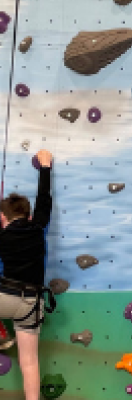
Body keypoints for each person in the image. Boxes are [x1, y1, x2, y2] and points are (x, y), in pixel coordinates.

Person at [0, 149, 57, 400]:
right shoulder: (38, 227)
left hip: (4, 298)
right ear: (29, 215)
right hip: (31, 303)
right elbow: (44, 197)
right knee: (30, 361)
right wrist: (45, 166)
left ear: (3, 218)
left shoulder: (3, 236)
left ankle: (1, 334)